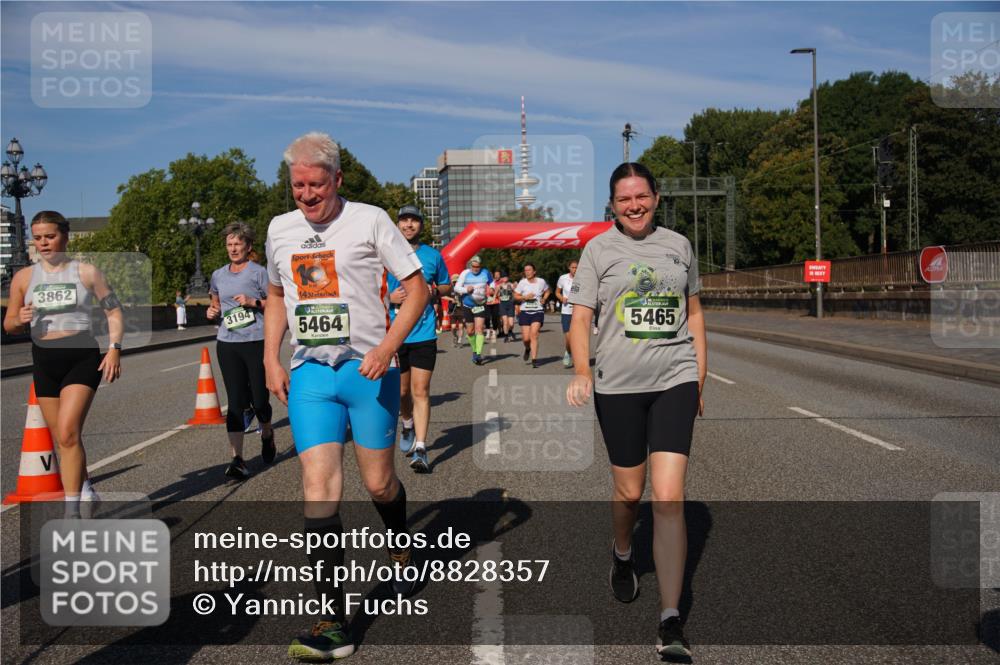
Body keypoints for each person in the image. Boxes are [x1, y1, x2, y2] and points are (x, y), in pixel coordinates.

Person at [263, 132, 428, 661]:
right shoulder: (280, 229)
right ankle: (332, 621)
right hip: (311, 374)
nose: (306, 195)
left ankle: (402, 547)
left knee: (379, 484)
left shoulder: (370, 220)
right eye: (297, 186)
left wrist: (388, 346)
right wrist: (271, 357)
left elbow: (418, 289)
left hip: (368, 370)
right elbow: (275, 295)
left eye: (315, 184)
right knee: (318, 488)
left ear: (336, 179)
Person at [566, 162, 707, 660]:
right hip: (619, 386)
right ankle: (623, 552)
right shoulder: (598, 250)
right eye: (624, 199)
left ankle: (670, 620)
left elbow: (693, 313)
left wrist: (699, 378)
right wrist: (581, 369)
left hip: (674, 379)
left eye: (641, 196)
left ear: (656, 197)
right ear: (612, 204)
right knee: (629, 492)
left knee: (668, 497)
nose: (634, 206)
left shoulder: (679, 245)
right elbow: (580, 319)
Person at [2, 211, 123, 518]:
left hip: (80, 356)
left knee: (68, 432)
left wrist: (114, 349)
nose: (43, 243)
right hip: (44, 359)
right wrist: (19, 319)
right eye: (37, 238)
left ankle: (72, 514)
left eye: (50, 236)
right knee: (63, 439)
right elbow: (9, 324)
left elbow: (113, 311)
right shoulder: (23, 278)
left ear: (65, 237)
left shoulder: (87, 272)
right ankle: (86, 488)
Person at [205, 222, 275, 480]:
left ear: (248, 246)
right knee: (235, 402)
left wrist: (253, 301)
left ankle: (266, 433)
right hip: (227, 343)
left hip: (256, 341)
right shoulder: (218, 275)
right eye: (229, 244)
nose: (233, 248)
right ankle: (238, 459)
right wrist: (212, 312)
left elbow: (276, 304)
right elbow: (215, 304)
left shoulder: (259, 273)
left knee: (259, 400)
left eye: (238, 244)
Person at [386, 205, 450, 473]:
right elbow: (369, 288)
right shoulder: (385, 253)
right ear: (397, 225)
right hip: (396, 335)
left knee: (420, 390)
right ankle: (407, 423)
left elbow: (446, 285)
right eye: (404, 220)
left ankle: (421, 448)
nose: (409, 225)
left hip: (424, 332)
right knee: (402, 392)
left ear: (421, 225)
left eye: (414, 220)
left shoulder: (433, 256)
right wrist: (388, 298)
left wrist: (435, 291)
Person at [454, 255, 493, 365]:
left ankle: (478, 354)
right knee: (470, 332)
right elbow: (456, 287)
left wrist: (492, 288)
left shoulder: (485, 272)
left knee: (479, 328)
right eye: (474, 266)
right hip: (468, 305)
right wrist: (466, 289)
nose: (476, 269)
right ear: (470, 265)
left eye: (478, 267)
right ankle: (474, 350)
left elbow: (492, 282)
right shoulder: (465, 273)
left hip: (480, 304)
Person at [514, 263, 549, 369]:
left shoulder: (541, 281)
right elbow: (515, 296)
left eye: (529, 270)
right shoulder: (522, 282)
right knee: (526, 339)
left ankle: (534, 359)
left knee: (534, 335)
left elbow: (547, 291)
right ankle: (527, 348)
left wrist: (544, 298)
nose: (527, 272)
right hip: (525, 312)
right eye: (525, 270)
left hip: (538, 311)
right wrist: (524, 297)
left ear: (534, 271)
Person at [556, 260, 578, 368]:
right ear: (569, 268)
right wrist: (561, 298)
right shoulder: (563, 278)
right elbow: (557, 292)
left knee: (577, 337)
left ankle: (578, 358)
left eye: (577, 267)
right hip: (566, 312)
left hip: (579, 311)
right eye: (573, 267)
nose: (575, 269)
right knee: (569, 338)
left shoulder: (583, 278)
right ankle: (568, 352)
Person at [445, 274, 466, 347]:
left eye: (456, 281)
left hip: (461, 309)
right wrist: (451, 299)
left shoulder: (462, 288)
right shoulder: (449, 289)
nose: (455, 283)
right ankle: (455, 336)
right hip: (452, 310)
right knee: (453, 327)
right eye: (454, 281)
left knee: (461, 326)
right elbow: (443, 296)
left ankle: (460, 340)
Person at [496, 271, 516, 342]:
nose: (505, 278)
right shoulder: (499, 286)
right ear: (501, 278)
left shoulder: (511, 285)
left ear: (508, 278)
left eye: (506, 277)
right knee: (505, 322)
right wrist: (497, 296)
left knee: (511, 323)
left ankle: (510, 331)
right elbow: (495, 295)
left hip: (510, 304)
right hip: (502, 305)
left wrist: (514, 298)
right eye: (503, 277)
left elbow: (516, 294)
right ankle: (506, 336)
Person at [485, 270, 502, 343]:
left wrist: (495, 293)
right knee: (487, 318)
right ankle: (488, 331)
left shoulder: (495, 283)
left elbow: (499, 293)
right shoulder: (484, 284)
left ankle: (494, 331)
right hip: (486, 303)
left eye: (490, 276)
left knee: (495, 318)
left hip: (495, 302)